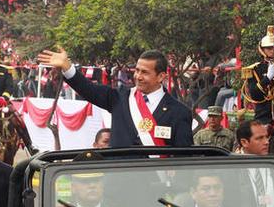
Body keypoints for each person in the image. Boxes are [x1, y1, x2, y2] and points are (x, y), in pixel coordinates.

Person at [37, 48, 193, 148]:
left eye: (144, 72)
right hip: (118, 185)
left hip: (158, 191)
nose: (138, 76)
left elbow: (184, 158)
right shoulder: (120, 98)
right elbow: (89, 89)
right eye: (137, 70)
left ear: (161, 76)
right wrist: (67, 68)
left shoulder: (179, 112)